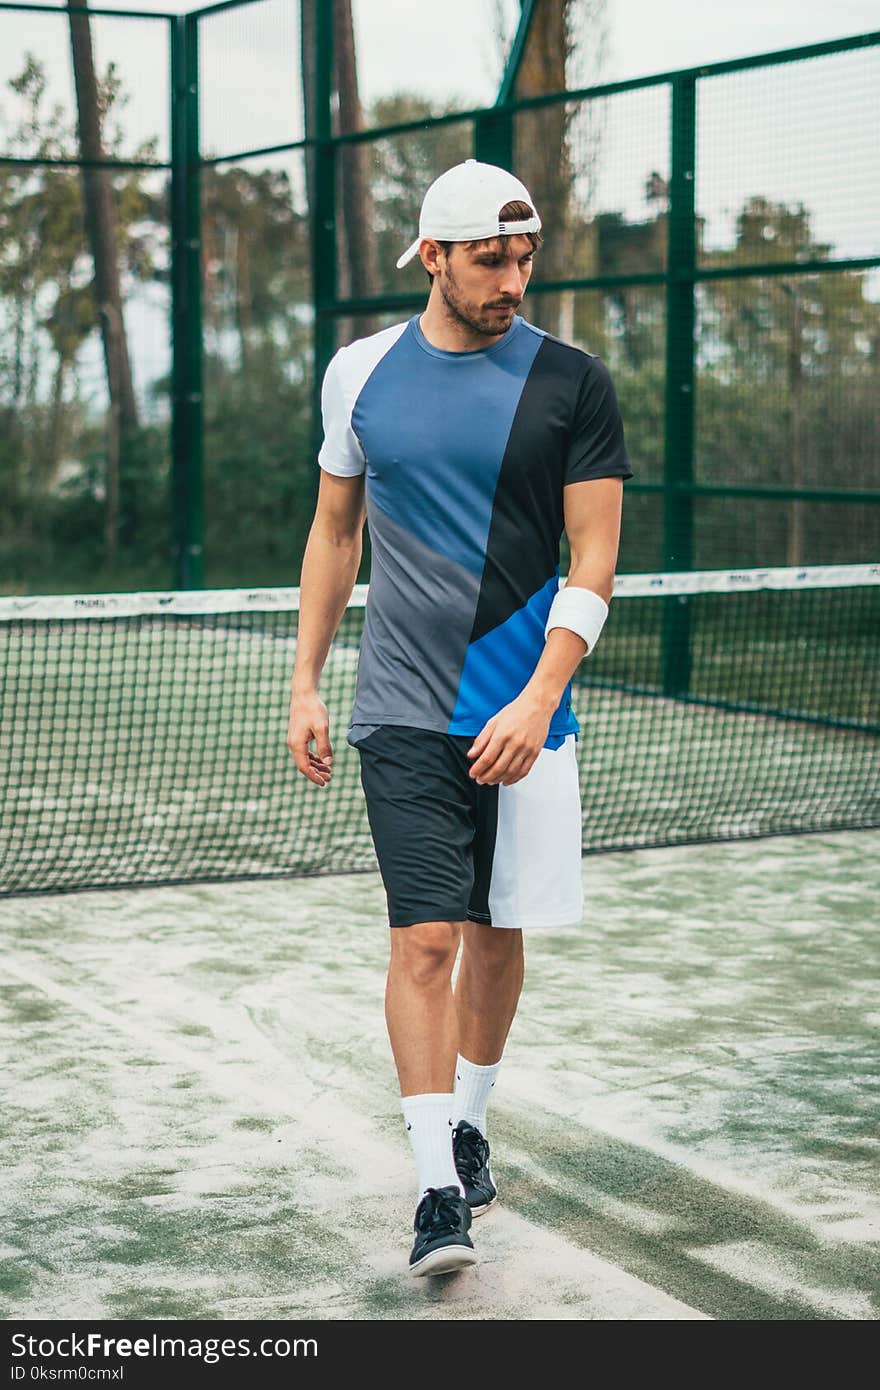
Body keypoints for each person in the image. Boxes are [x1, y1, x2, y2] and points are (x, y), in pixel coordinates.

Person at [287, 159, 633, 1277]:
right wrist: (304, 679)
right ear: (430, 256)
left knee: (495, 940)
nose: (513, 279)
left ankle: (472, 1116)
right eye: (491, 258)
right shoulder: (358, 375)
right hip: (398, 707)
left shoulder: (574, 382)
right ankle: (439, 1184)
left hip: (527, 712)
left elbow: (596, 556)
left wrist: (540, 696)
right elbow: (336, 532)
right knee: (425, 935)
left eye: (525, 257)